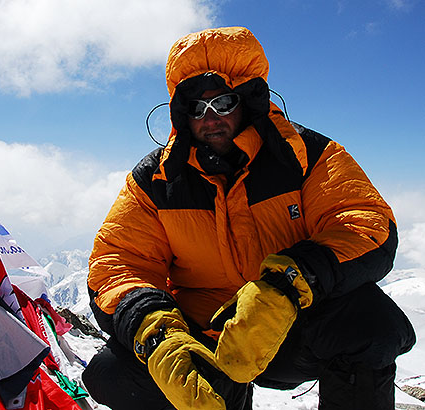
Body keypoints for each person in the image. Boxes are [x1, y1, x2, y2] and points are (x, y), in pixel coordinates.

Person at [81, 27, 416, 410]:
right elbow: (118, 264)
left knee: (369, 323)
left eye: (222, 103)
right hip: (203, 339)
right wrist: (158, 334)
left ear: (248, 100)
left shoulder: (307, 156)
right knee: (112, 373)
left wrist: (288, 285)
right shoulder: (155, 181)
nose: (210, 119)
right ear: (181, 114)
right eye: (196, 108)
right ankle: (226, 395)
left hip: (288, 327)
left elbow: (364, 223)